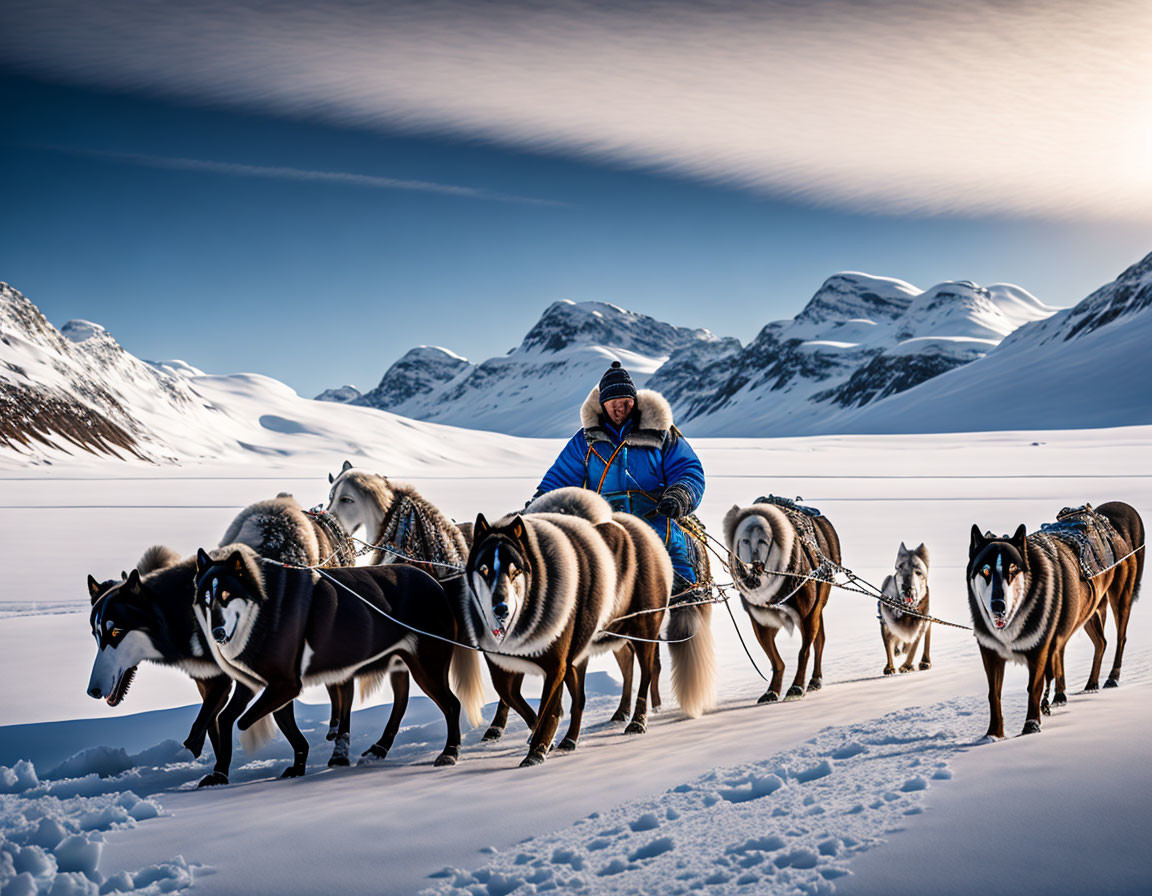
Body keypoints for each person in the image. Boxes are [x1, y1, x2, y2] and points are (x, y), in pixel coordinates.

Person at [535, 361, 706, 592]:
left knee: (683, 572)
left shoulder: (661, 433)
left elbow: (688, 469)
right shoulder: (585, 441)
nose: (619, 409)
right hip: (604, 527)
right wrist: (537, 506)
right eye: (612, 403)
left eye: (625, 402)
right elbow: (560, 480)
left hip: (656, 521)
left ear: (634, 402)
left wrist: (680, 495)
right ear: (602, 404)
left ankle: (688, 608)